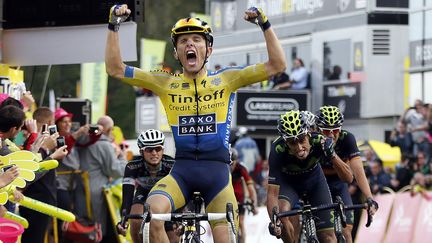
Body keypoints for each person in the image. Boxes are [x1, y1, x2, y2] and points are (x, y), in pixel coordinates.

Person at [105, 4, 286, 243]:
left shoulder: (227, 79)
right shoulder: (165, 82)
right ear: (176, 53)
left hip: (218, 176)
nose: (190, 44)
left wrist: (265, 25)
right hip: (182, 171)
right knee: (152, 212)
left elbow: (277, 65)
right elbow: (115, 69)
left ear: (208, 49)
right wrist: (113, 25)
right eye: (183, 41)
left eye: (196, 40)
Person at [267, 110, 336, 243]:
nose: (299, 147)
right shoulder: (277, 149)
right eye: (292, 142)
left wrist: (332, 154)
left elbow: (348, 176)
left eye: (301, 139)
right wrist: (275, 221)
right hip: (289, 185)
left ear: (308, 134)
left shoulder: (318, 140)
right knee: (282, 216)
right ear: (285, 142)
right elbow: (272, 194)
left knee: (328, 237)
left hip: (315, 182)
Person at [315, 105, 378, 243]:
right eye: (326, 131)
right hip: (317, 183)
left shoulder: (347, 138)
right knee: (325, 234)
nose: (331, 135)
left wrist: (369, 197)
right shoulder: (313, 139)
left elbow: (358, 170)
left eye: (336, 130)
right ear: (319, 129)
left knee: (346, 232)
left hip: (339, 182)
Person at [117, 129, 177, 243]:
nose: (154, 153)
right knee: (135, 218)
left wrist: (180, 217)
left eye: (158, 149)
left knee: (173, 238)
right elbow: (127, 196)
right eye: (149, 149)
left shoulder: (171, 165)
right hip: (143, 193)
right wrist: (123, 219)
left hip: (167, 196)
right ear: (141, 151)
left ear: (163, 149)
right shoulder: (132, 167)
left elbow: (180, 191)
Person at [76, 115, 127, 240]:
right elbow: (116, 171)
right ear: (109, 130)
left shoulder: (83, 140)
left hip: (79, 189)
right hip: (97, 192)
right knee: (99, 230)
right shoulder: (104, 145)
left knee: (83, 229)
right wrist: (121, 156)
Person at [229, 148, 258, 243]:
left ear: (236, 161)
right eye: (229, 163)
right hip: (227, 199)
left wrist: (254, 205)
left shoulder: (241, 168)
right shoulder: (223, 167)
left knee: (240, 223)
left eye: (233, 164)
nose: (231, 166)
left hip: (239, 200)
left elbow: (251, 188)